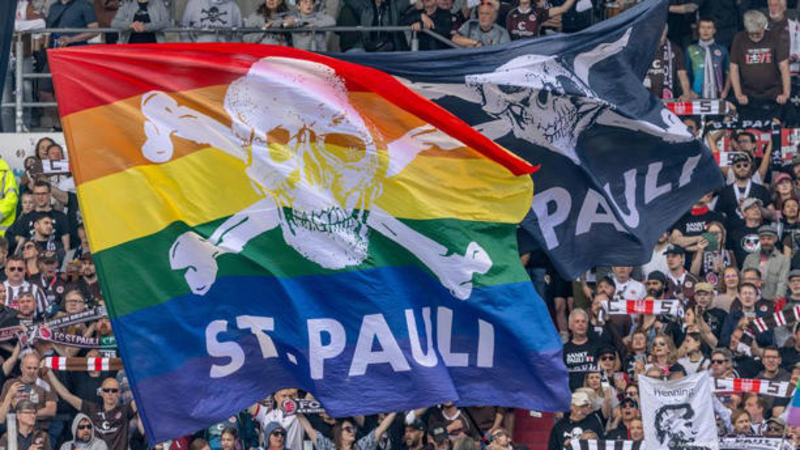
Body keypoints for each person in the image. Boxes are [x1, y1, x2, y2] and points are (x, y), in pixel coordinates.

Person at [45, 373, 140, 450]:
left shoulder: (125, 410)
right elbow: (65, 395)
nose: (110, 393)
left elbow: (144, 398)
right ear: (101, 392)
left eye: (114, 390)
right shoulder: (92, 409)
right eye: (106, 390)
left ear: (119, 393)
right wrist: (49, 372)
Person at [730, 9, 791, 120]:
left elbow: (784, 66)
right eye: (751, 33)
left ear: (764, 27)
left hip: (773, 95)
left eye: (758, 33)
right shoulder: (739, 38)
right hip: (747, 95)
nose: (755, 36)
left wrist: (786, 93)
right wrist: (738, 94)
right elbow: (734, 68)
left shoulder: (774, 37)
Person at [296, 412, 397, 450]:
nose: (352, 431)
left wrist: (395, 410)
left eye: (353, 429)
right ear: (339, 433)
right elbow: (309, 430)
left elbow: (381, 430)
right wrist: (296, 412)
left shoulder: (361, 447)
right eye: (348, 429)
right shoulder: (329, 447)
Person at [685, 18, 730, 99]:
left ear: (714, 30)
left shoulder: (722, 50)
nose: (705, 31)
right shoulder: (691, 49)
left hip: (718, 96)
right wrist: (688, 91)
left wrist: (725, 91)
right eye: (702, 27)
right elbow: (685, 73)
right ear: (698, 30)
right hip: (696, 96)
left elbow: (728, 72)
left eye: (709, 28)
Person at [644, 25, 693, 100]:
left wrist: (686, 94)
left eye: (661, 34)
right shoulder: (641, 49)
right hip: (644, 98)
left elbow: (682, 74)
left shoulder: (675, 49)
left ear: (666, 33)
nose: (658, 37)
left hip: (667, 99)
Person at [743, 224, 790, 300]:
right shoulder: (750, 258)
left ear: (775, 239)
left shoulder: (783, 260)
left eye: (769, 239)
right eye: (763, 239)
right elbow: (743, 279)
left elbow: (783, 283)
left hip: (772, 300)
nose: (766, 242)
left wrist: (777, 299)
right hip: (750, 300)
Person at [504, 0, 576, 40]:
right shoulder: (511, 9)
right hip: (514, 45)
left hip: (540, 42)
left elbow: (559, 22)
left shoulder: (554, 3)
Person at [727, 198, 768, 268]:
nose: (756, 210)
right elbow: (731, 254)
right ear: (744, 213)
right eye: (752, 208)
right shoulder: (735, 233)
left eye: (758, 208)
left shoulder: (768, 230)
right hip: (743, 272)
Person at [563, 308, 597, 391]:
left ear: (587, 325)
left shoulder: (597, 346)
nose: (580, 324)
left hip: (593, 393)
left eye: (583, 321)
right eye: (577, 321)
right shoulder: (564, 349)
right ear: (570, 326)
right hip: (572, 394)